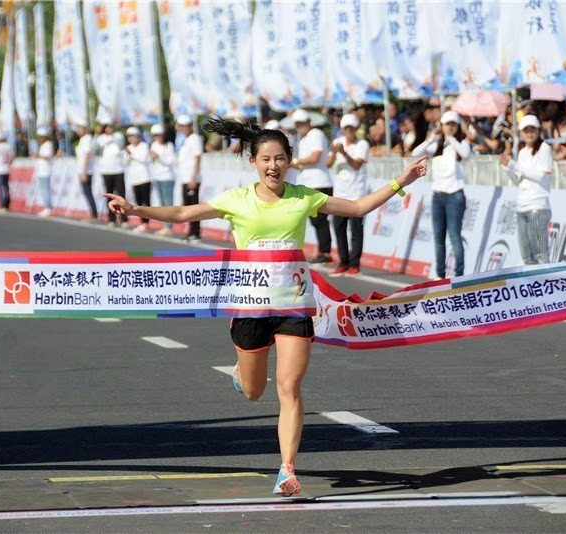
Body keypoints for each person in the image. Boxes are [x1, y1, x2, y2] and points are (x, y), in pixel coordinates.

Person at [103, 117, 428, 497]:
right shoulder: (236, 200)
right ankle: (242, 371)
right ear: (253, 163)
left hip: (294, 306)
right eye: (265, 159)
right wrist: (134, 207)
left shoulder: (304, 197)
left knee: (289, 387)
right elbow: (183, 214)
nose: (273, 166)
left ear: (290, 161)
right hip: (250, 308)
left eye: (280, 158)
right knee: (255, 391)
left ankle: (287, 468)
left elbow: (356, 208)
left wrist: (399, 182)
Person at [412, 110, 471, 279]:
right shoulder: (436, 146)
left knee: (454, 236)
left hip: (455, 196)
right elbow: (416, 153)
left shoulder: (461, 143)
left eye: (453, 124)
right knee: (439, 237)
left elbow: (465, 155)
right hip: (438, 196)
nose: (450, 127)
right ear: (442, 125)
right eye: (447, 124)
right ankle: (440, 274)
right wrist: (431, 139)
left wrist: (451, 138)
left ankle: (459, 274)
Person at [500, 115, 553, 265]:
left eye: (533, 129)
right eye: (526, 130)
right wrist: (506, 167)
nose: (529, 133)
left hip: (538, 206)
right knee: (527, 256)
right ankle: (534, 286)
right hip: (522, 206)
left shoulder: (544, 149)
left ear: (538, 131)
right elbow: (519, 180)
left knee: (541, 254)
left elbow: (540, 176)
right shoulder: (523, 152)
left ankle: (547, 285)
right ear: (521, 133)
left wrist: (514, 165)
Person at [326, 113, 369, 277]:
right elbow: (328, 164)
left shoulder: (362, 144)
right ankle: (343, 262)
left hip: (356, 194)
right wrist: (333, 152)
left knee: (356, 230)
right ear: (343, 129)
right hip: (340, 194)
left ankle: (354, 263)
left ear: (357, 129)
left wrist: (343, 153)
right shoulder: (338, 142)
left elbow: (357, 165)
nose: (349, 131)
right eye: (346, 128)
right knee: (338, 228)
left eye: (352, 128)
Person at [291, 109, 333, 263]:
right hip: (309, 183)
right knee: (315, 221)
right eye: (298, 124)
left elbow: (315, 157)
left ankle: (326, 252)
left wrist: (296, 161)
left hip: (320, 182)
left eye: (302, 122)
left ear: (309, 121)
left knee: (320, 220)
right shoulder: (303, 140)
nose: (300, 126)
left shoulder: (316, 134)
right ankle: (323, 250)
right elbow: (304, 163)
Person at [175, 115, 204, 242]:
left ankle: (195, 233)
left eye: (185, 125)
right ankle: (190, 232)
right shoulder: (185, 140)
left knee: (193, 208)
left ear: (190, 125)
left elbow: (198, 157)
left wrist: (194, 178)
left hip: (192, 178)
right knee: (187, 207)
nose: (183, 128)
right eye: (180, 126)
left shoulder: (195, 139)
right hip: (184, 178)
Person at [97, 122, 126, 227]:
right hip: (106, 170)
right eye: (107, 127)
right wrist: (98, 133)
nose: (109, 129)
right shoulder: (100, 138)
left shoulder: (118, 136)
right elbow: (96, 149)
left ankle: (124, 219)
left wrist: (112, 138)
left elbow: (121, 145)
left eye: (110, 126)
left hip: (118, 170)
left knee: (121, 195)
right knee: (109, 196)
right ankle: (112, 218)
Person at [150, 123, 177, 236]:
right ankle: (165, 225)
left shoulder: (169, 145)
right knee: (161, 204)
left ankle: (169, 226)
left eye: (159, 135)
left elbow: (171, 162)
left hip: (167, 177)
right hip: (157, 177)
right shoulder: (154, 145)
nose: (157, 137)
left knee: (168, 203)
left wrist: (159, 156)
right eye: (155, 135)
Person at [125, 126, 152, 233]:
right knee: (138, 202)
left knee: (146, 202)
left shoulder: (143, 146)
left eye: (134, 136)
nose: (132, 138)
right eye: (130, 136)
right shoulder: (128, 148)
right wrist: (128, 155)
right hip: (134, 179)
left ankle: (146, 222)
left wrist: (131, 154)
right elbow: (125, 162)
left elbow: (143, 159)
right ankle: (142, 222)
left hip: (145, 178)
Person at [73, 121, 98, 222]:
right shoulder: (82, 139)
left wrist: (84, 171)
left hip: (86, 170)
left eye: (79, 128)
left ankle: (94, 214)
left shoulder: (87, 138)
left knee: (88, 192)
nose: (78, 130)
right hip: (83, 170)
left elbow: (87, 154)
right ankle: (93, 213)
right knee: (86, 192)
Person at [35, 127, 55, 217]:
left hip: (46, 170)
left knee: (45, 189)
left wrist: (38, 155)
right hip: (41, 170)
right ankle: (47, 207)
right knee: (43, 190)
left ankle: (48, 207)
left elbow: (47, 156)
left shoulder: (48, 144)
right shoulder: (43, 145)